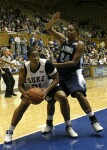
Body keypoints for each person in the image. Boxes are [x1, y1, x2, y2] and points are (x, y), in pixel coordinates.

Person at [42, 12, 103, 134]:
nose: (68, 32)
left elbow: (74, 62)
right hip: (61, 75)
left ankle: (94, 121)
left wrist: (54, 64)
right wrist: (53, 20)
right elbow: (48, 28)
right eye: (67, 30)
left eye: (71, 30)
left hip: (74, 74)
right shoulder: (63, 40)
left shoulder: (80, 44)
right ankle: (49, 124)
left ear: (77, 33)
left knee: (79, 94)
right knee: (52, 99)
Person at [4, 47, 78, 144]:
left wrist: (47, 90)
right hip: (32, 90)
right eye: (33, 56)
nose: (36, 58)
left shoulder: (46, 64)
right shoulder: (24, 68)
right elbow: (20, 85)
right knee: (22, 105)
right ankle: (9, 132)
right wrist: (24, 93)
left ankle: (68, 126)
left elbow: (56, 78)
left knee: (62, 97)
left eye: (37, 56)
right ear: (28, 58)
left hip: (48, 86)